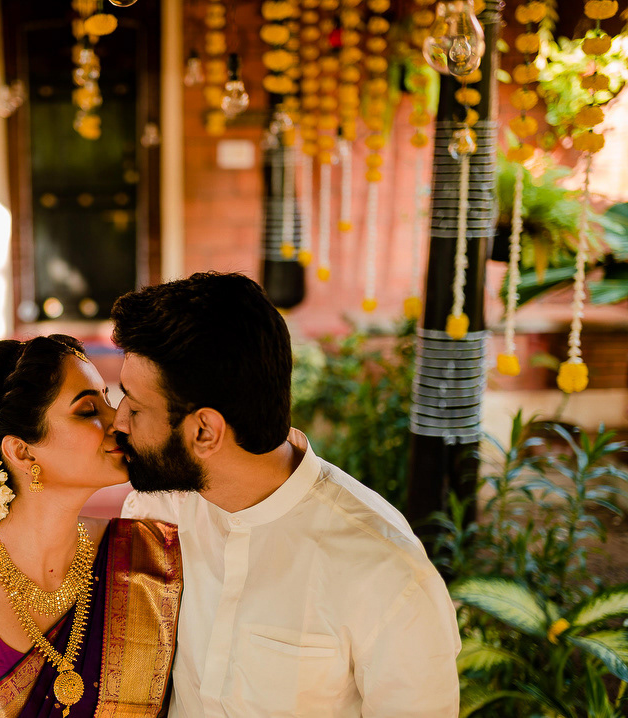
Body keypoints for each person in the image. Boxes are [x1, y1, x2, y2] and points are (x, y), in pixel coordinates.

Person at [113, 272, 461, 717]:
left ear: (204, 432)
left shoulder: (387, 572)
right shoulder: (159, 512)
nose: (118, 421)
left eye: (135, 407)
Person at [0, 334, 182, 718]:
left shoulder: (149, 554)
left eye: (108, 401)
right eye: (88, 410)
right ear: (22, 451)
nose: (119, 420)